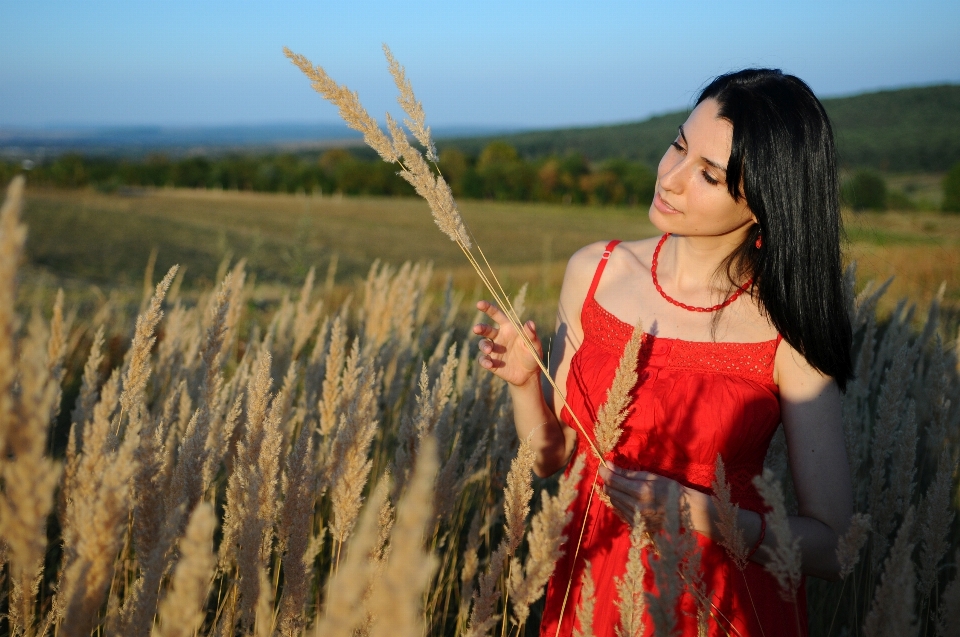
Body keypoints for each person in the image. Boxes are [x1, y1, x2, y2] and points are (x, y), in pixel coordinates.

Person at [473, 69, 854, 637]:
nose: (671, 178)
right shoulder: (594, 273)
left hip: (720, 600)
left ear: (764, 203)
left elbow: (836, 545)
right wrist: (526, 383)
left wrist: (710, 518)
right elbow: (555, 459)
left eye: (708, 174)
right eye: (677, 143)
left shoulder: (787, 328)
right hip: (593, 582)